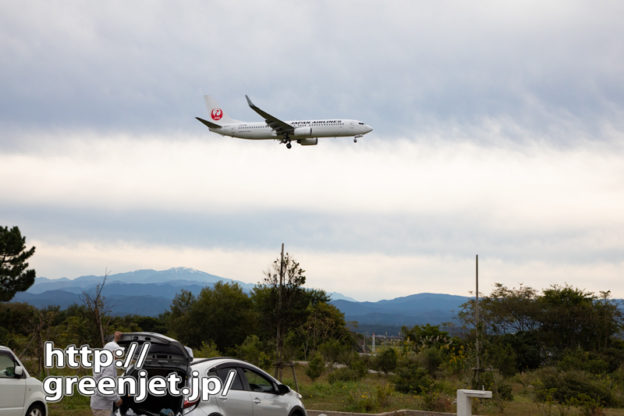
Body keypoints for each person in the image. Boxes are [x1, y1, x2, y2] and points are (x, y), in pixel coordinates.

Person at [90, 331, 123, 416]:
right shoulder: (109, 366)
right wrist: (117, 399)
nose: (119, 355)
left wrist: (115, 340)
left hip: (97, 403)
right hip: (103, 407)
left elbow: (109, 347)